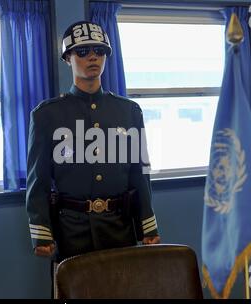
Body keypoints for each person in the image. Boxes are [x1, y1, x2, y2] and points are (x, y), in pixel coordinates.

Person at [26, 21, 160, 265]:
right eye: (83, 51)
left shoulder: (129, 111)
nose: (92, 58)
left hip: (119, 228)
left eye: (99, 51)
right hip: (71, 231)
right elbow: (39, 179)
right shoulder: (47, 115)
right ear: (67, 58)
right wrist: (41, 232)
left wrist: (146, 225)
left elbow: (140, 173)